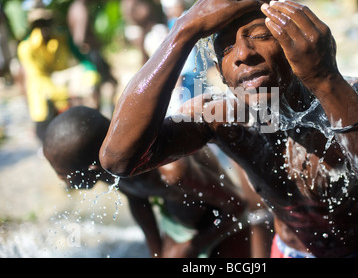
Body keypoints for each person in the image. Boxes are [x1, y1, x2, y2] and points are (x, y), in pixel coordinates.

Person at [100, 0, 358, 258]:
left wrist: (325, 80)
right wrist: (183, 31)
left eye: (260, 36)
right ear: (221, 74)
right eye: (226, 49)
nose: (244, 54)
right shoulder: (223, 117)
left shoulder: (355, 98)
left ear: (294, 47)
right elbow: (118, 159)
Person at [43, 105, 252, 258]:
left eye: (62, 173)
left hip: (224, 227)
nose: (60, 179)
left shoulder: (171, 172)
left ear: (92, 170)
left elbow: (238, 206)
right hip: (182, 223)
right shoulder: (111, 171)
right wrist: (156, 252)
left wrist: (193, 246)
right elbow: (138, 201)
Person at [17, 0, 100, 142]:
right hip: (45, 89)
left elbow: (83, 60)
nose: (44, 27)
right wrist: (68, 94)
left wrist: (91, 76)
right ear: (32, 26)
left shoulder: (62, 36)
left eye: (47, 22)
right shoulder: (26, 48)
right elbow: (40, 79)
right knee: (46, 132)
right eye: (39, 24)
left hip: (64, 80)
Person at [67, 0, 118, 113]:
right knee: (111, 83)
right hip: (90, 53)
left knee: (97, 87)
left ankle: (99, 114)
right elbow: (80, 39)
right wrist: (95, 46)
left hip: (84, 55)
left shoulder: (73, 8)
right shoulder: (82, 11)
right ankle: (107, 114)